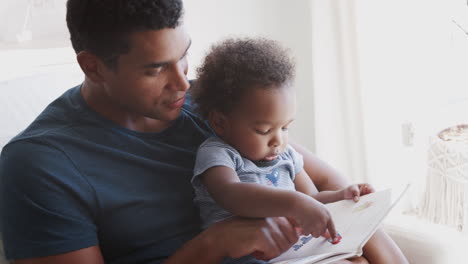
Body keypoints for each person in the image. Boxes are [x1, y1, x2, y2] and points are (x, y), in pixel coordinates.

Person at [0, 0, 408, 263]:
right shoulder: (41, 165)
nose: (182, 83)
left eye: (184, 56)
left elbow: (319, 176)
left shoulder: (206, 105)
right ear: (93, 66)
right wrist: (215, 244)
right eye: (155, 68)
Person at [189, 37, 374, 263]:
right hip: (242, 256)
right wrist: (294, 203)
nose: (278, 140)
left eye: (285, 127)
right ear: (220, 122)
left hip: (292, 253)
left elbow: (313, 198)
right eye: (263, 130)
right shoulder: (218, 154)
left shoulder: (286, 155)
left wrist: (341, 196)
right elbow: (230, 194)